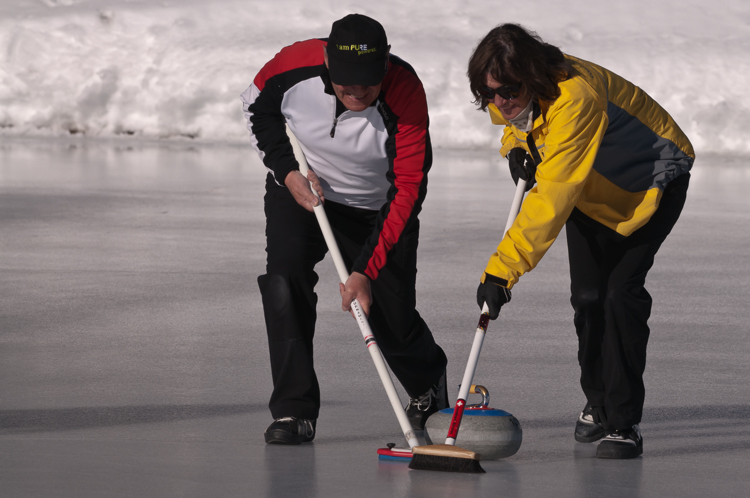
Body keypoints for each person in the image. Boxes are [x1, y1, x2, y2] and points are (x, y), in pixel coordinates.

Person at [468, 24, 694, 459]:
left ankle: (624, 422)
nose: (499, 101)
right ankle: (598, 402)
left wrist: (502, 271)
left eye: (508, 90)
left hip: (649, 186)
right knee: (588, 298)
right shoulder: (517, 93)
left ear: (532, 76)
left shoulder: (577, 99)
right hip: (590, 189)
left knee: (618, 295)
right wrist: (515, 145)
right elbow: (525, 124)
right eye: (488, 92)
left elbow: (552, 198)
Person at [241, 14, 448, 445]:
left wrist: (365, 271)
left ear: (385, 65)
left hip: (379, 209)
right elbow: (257, 108)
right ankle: (293, 412)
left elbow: (409, 188)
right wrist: (286, 171)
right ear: (327, 65)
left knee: (387, 317)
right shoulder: (293, 64)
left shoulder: (406, 92)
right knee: (284, 282)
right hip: (303, 189)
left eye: (367, 83)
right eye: (345, 82)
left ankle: (428, 381)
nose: (356, 91)